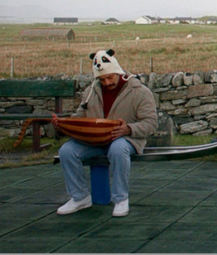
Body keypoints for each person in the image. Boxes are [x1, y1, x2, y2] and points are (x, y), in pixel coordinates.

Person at [55, 49, 157, 217]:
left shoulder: (140, 91)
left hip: (126, 138)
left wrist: (128, 129)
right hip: (94, 140)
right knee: (67, 151)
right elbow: (80, 117)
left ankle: (121, 199)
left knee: (117, 149)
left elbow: (151, 123)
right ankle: (80, 197)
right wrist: (63, 125)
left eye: (110, 77)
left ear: (118, 72)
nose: (107, 82)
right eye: (102, 79)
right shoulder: (90, 92)